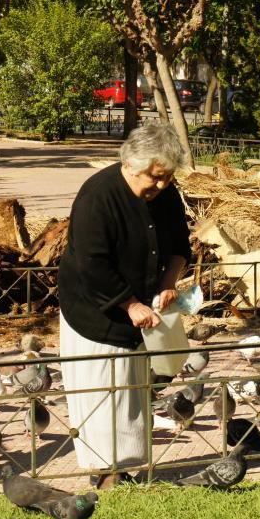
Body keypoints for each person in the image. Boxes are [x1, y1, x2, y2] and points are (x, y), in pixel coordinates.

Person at [58, 123, 191, 490]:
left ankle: (127, 470)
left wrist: (168, 283)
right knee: (101, 392)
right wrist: (129, 304)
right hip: (94, 312)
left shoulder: (165, 193)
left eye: (167, 177)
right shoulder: (97, 196)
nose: (161, 184)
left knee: (132, 392)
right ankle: (104, 473)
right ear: (131, 165)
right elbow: (92, 263)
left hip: (140, 312)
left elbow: (179, 243)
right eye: (155, 176)